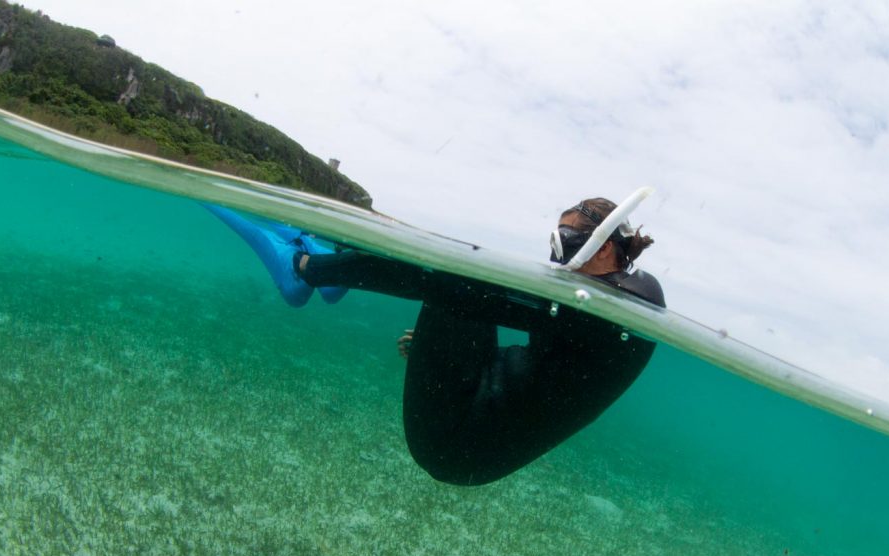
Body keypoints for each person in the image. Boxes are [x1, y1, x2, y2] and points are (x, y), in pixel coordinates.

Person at [208, 198, 664, 485]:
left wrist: (317, 267)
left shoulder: (612, 312)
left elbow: (448, 286)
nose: (553, 257)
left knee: (455, 285)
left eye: (563, 242)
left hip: (454, 444)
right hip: (478, 412)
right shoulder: (610, 304)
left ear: (603, 249)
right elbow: (553, 377)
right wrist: (441, 350)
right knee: (461, 293)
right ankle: (326, 274)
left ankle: (303, 271)